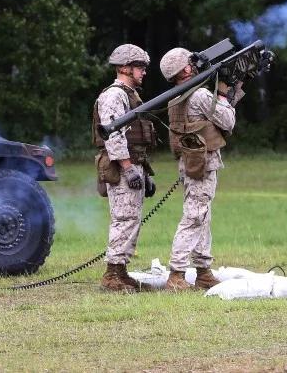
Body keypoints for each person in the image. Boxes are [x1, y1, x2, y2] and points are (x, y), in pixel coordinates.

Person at [158, 47, 241, 291]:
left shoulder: (176, 97)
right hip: (202, 164)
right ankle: (177, 273)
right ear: (185, 69)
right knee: (194, 216)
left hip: (191, 163)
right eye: (190, 63)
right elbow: (228, 121)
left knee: (201, 215)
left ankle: (203, 271)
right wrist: (225, 95)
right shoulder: (199, 96)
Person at [92, 43, 156, 292]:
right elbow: (113, 134)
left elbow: (134, 136)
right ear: (125, 68)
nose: (144, 72)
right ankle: (112, 275)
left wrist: (143, 171)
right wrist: (128, 168)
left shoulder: (129, 94)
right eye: (140, 67)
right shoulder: (114, 95)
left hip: (132, 164)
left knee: (131, 218)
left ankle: (121, 271)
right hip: (120, 168)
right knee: (124, 218)